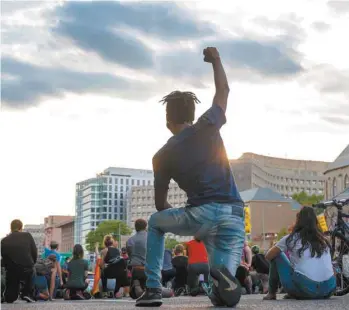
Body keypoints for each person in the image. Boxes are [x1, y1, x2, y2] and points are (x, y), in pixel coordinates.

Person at [136, 47, 244, 308]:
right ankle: (223, 277)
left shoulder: (162, 155)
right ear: (192, 115)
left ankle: (152, 289)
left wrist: (191, 226)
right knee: (222, 296)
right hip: (234, 214)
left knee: (155, 222)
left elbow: (161, 206)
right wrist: (216, 60)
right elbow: (223, 91)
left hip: (199, 214)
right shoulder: (208, 124)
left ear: (167, 121)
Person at [263, 206, 336, 300]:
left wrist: (290, 263)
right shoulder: (323, 240)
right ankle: (298, 291)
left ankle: (272, 293)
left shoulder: (291, 238)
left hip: (306, 290)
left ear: (298, 221)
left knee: (277, 255)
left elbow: (269, 256)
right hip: (328, 290)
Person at [1, 219, 37, 303]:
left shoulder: (4, 240)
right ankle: (27, 293)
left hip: (12, 270)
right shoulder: (27, 236)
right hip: (27, 268)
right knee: (32, 272)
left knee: (10, 298)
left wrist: (8, 268)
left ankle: (9, 296)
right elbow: (34, 252)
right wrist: (32, 263)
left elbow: (4, 257)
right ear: (21, 228)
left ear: (11, 228)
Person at [126, 219, 148, 299]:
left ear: (135, 228)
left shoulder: (130, 240)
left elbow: (130, 256)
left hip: (136, 269)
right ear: (146, 227)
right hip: (149, 270)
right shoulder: (152, 238)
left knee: (133, 295)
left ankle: (136, 284)